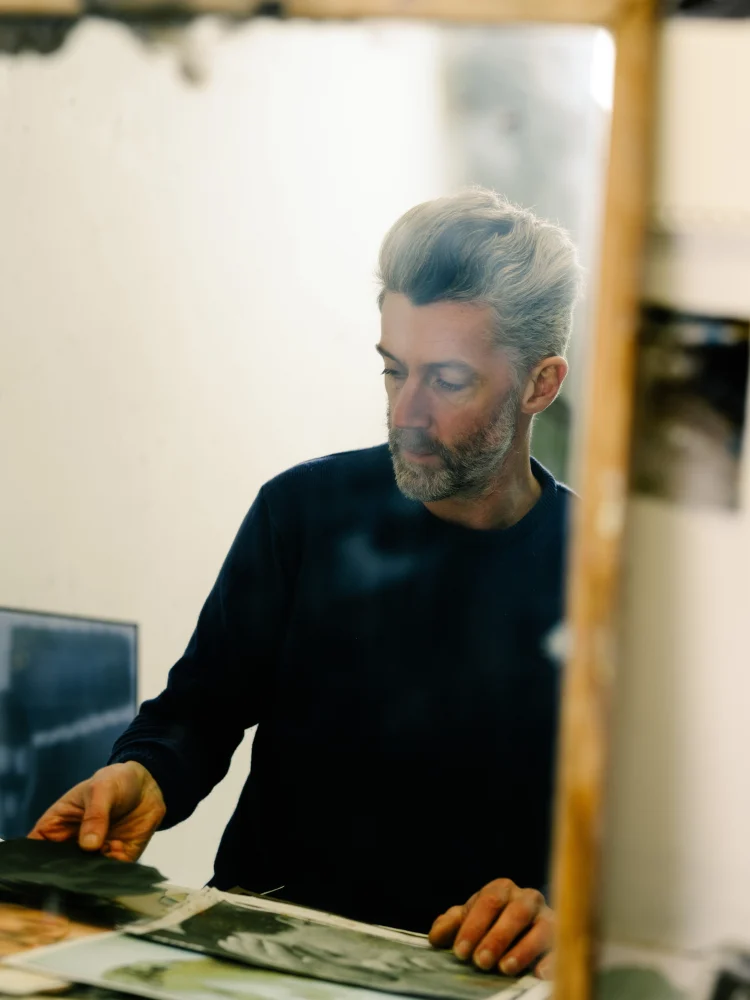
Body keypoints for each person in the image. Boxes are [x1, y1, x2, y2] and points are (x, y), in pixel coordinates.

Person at [29, 188, 580, 981]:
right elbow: (199, 712)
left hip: (464, 976)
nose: (406, 414)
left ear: (540, 383)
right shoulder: (302, 512)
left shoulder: (602, 585)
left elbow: (643, 845)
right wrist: (144, 774)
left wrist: (562, 908)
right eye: (394, 372)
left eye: (449, 382)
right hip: (255, 956)